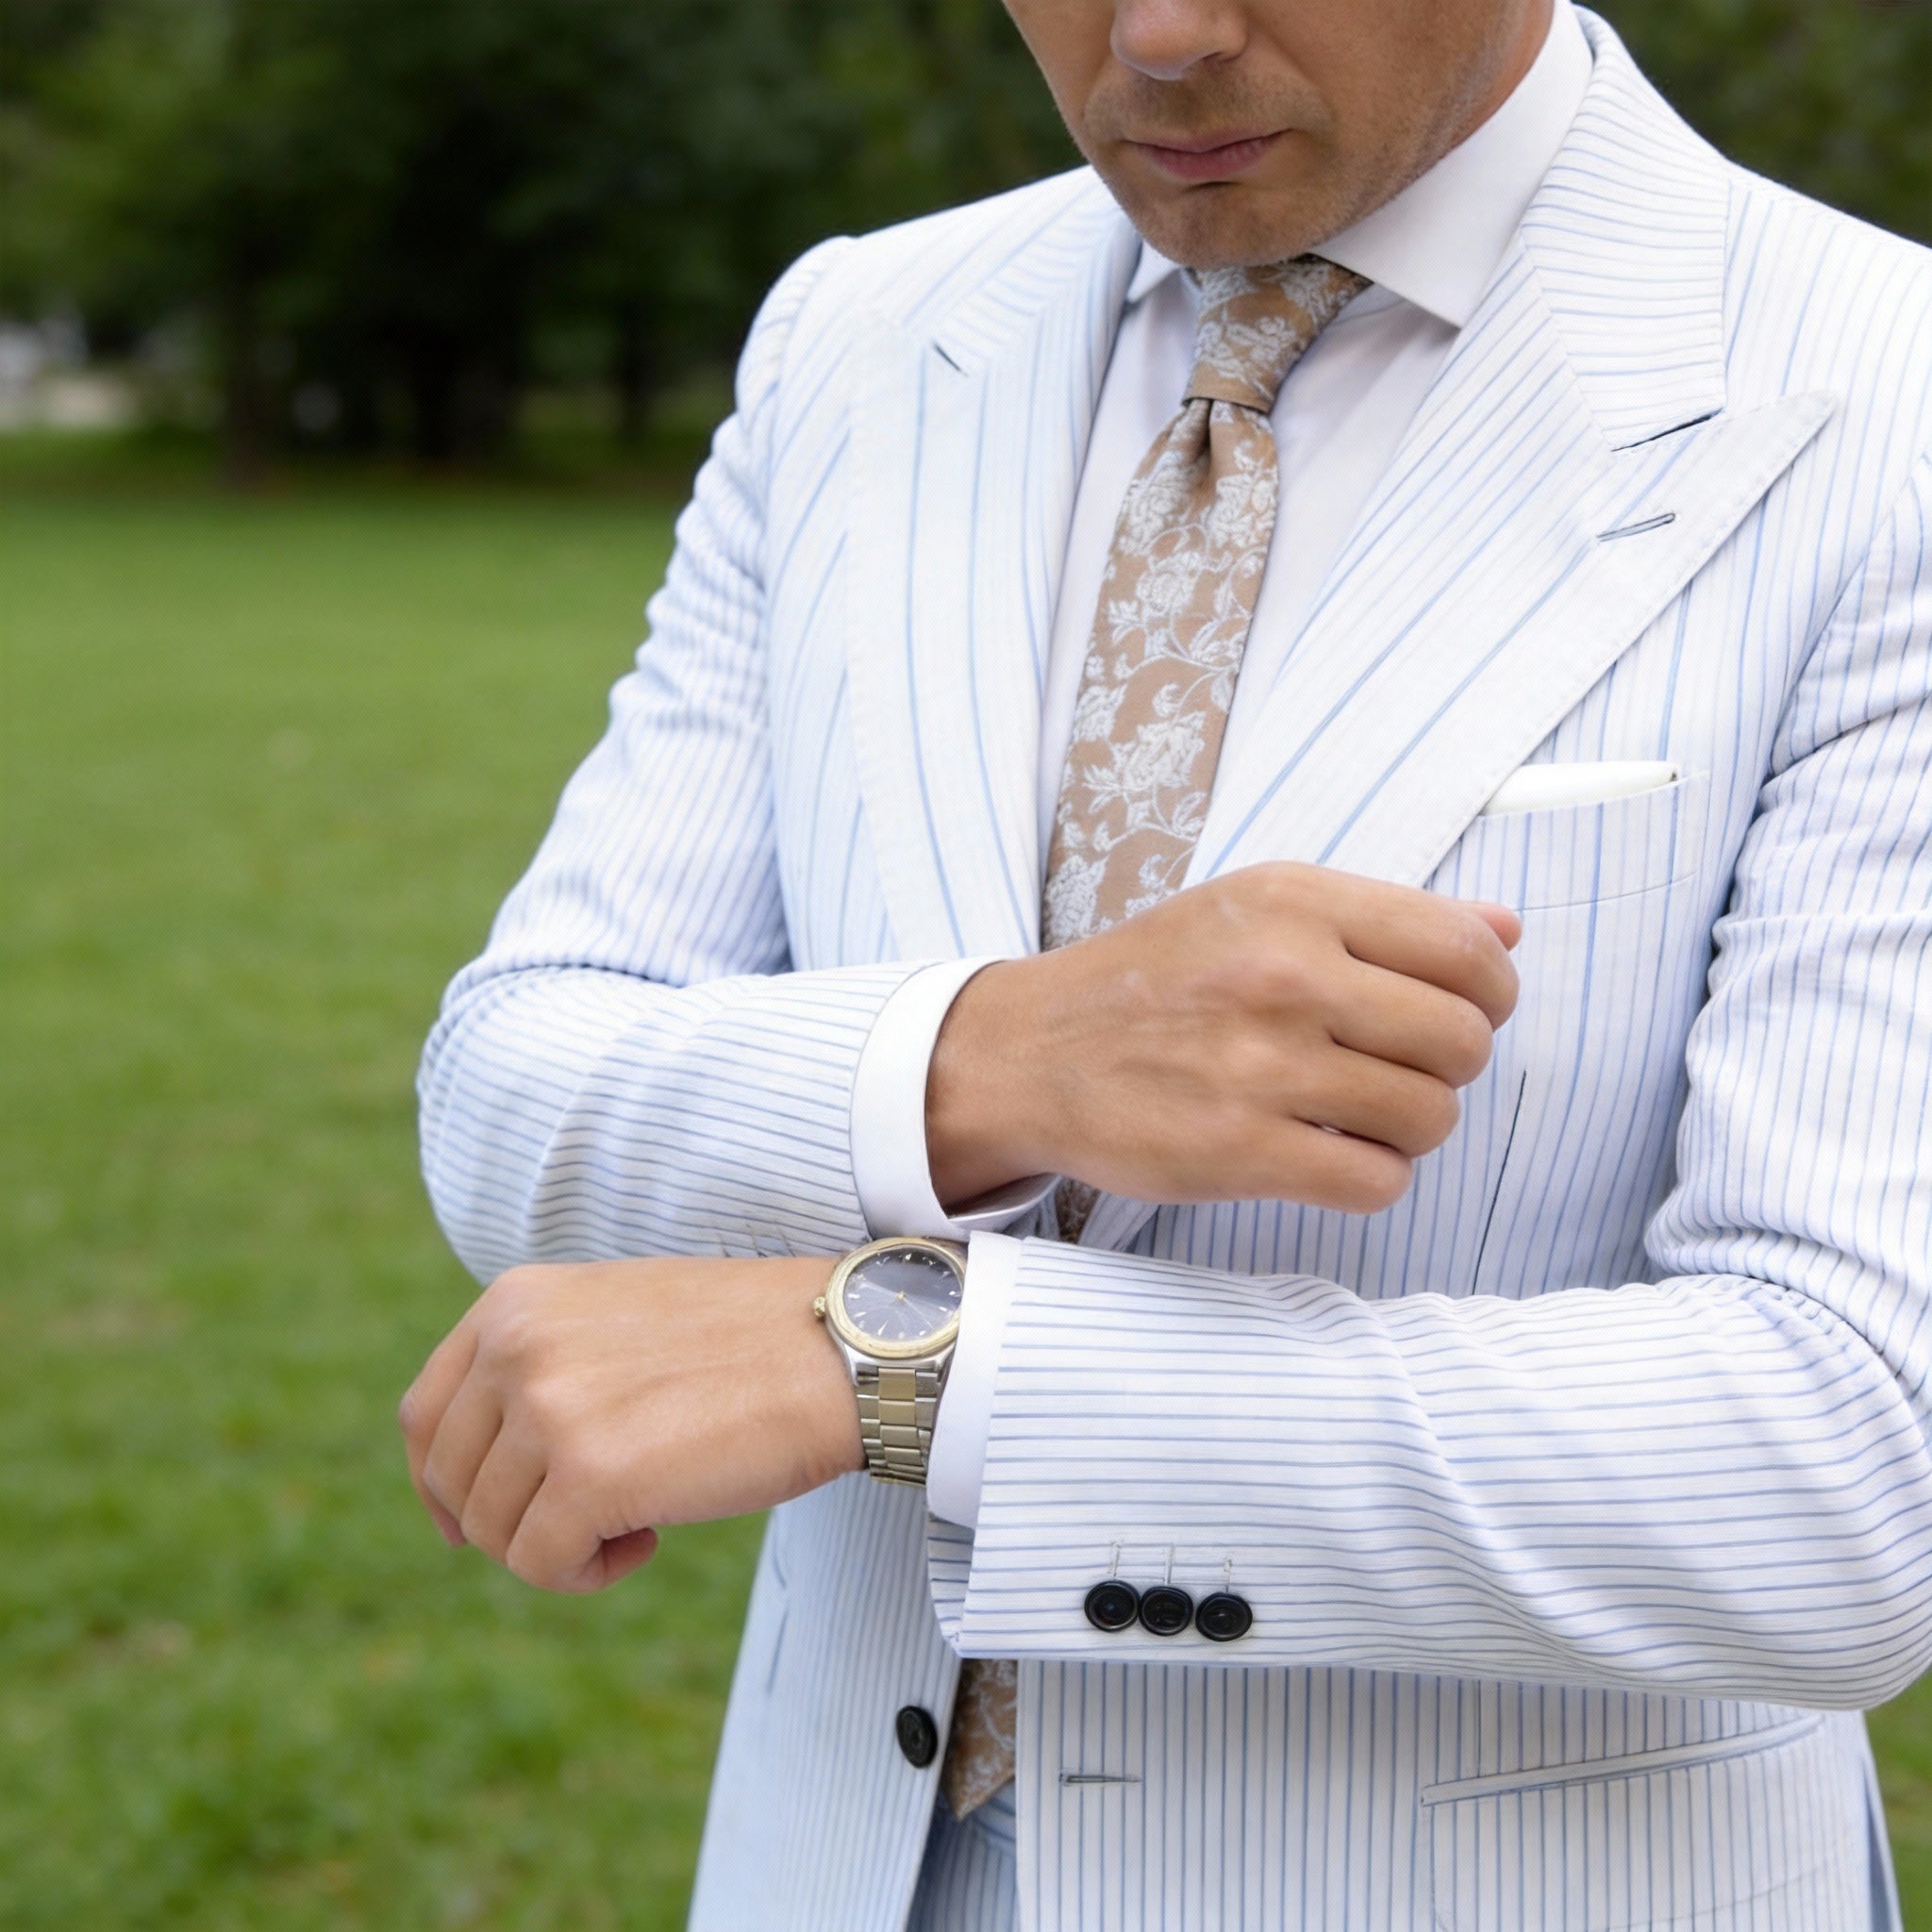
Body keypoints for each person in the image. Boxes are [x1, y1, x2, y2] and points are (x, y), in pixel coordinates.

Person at [399, 0, 1932, 1924]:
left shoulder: (1886, 395)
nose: (1162, 33)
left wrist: (908, 1364)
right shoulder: (860, 336)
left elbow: (1855, 1464)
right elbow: (512, 1092)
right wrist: (1001, 1063)